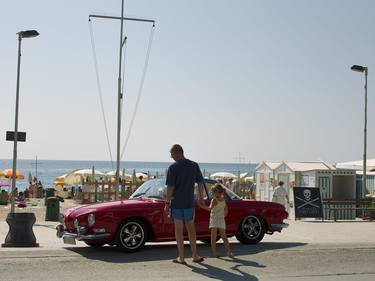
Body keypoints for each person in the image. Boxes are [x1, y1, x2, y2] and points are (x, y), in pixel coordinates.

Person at [165, 144, 205, 264]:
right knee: (191, 229)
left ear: (177, 153)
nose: (171, 157)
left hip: (176, 202)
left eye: (172, 154)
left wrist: (167, 203)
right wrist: (201, 197)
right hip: (189, 202)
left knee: (178, 230)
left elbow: (170, 187)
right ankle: (194, 255)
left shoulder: (173, 168)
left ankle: (181, 257)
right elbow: (200, 182)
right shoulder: (194, 165)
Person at [206, 183, 233, 257]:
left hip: (214, 219)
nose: (212, 193)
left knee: (213, 237)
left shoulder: (214, 200)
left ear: (215, 192)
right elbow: (226, 211)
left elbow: (209, 209)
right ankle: (228, 252)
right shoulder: (223, 199)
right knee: (224, 236)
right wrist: (222, 216)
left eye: (212, 192)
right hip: (221, 219)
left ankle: (214, 253)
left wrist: (202, 206)